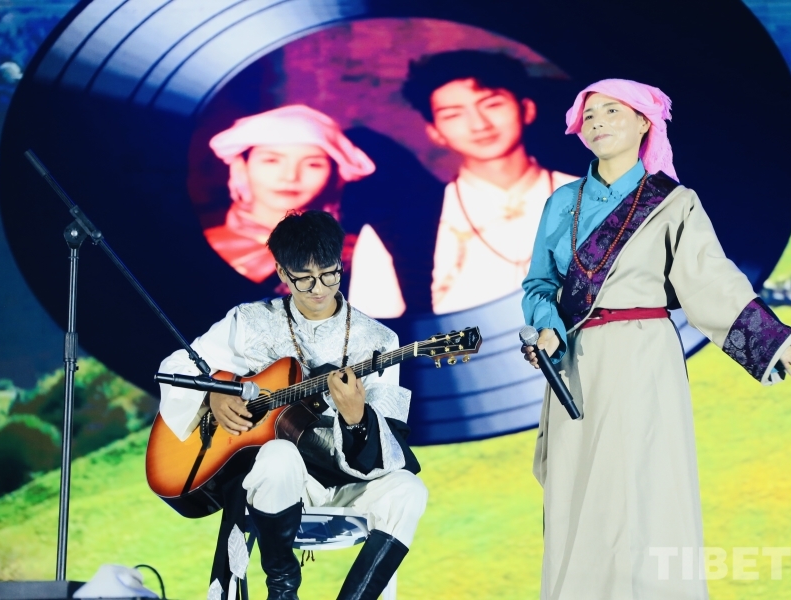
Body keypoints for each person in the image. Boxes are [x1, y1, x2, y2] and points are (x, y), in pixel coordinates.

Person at [520, 79, 791, 599]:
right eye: (589, 115)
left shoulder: (673, 203)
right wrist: (547, 325)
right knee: (576, 489)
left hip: (642, 355)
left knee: (644, 485)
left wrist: (772, 338)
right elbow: (539, 284)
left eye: (612, 110)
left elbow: (709, 279)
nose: (597, 121)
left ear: (644, 122)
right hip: (574, 362)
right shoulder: (561, 202)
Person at [159, 211, 427, 600]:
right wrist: (214, 393)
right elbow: (177, 368)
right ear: (283, 273)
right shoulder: (250, 322)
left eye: (330, 274)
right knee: (278, 454)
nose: (319, 289)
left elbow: (390, 443)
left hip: (350, 480)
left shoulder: (379, 341)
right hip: (281, 483)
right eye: (304, 278)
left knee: (409, 490)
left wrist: (356, 417)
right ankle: (282, 591)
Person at [347, 50, 577, 316]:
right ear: (435, 132)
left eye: (492, 105)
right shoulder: (392, 230)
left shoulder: (602, 200)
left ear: (527, 109)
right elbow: (375, 336)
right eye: (453, 115)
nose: (479, 124)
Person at [205, 105, 400, 305]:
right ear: (241, 167)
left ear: (334, 174)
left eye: (313, 164)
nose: (290, 176)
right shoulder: (203, 245)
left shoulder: (356, 253)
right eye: (271, 160)